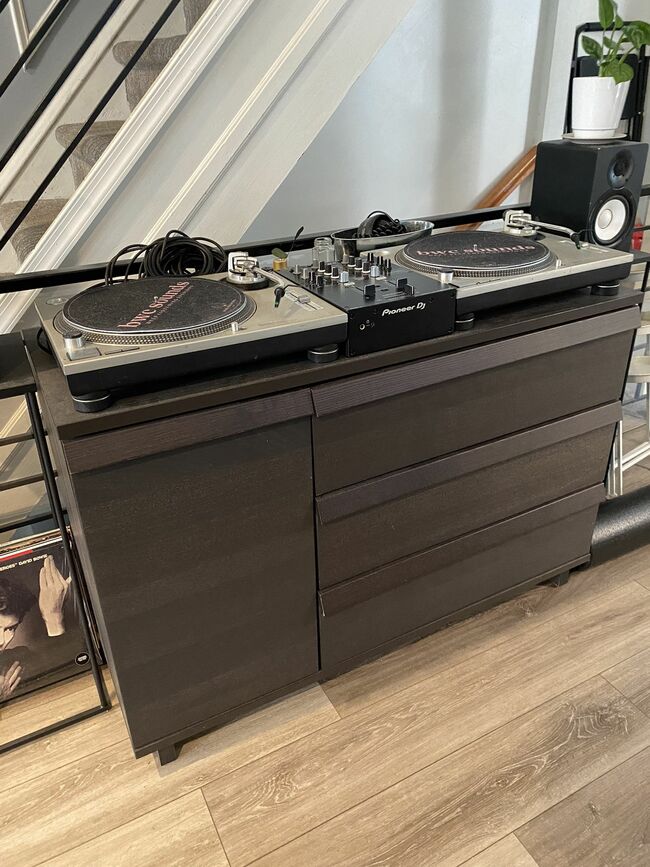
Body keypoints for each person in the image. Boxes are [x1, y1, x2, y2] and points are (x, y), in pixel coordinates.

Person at [0, 555, 71, 701]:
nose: (2, 640)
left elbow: (67, 681)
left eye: (10, 628)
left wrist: (53, 617)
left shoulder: (19, 659)